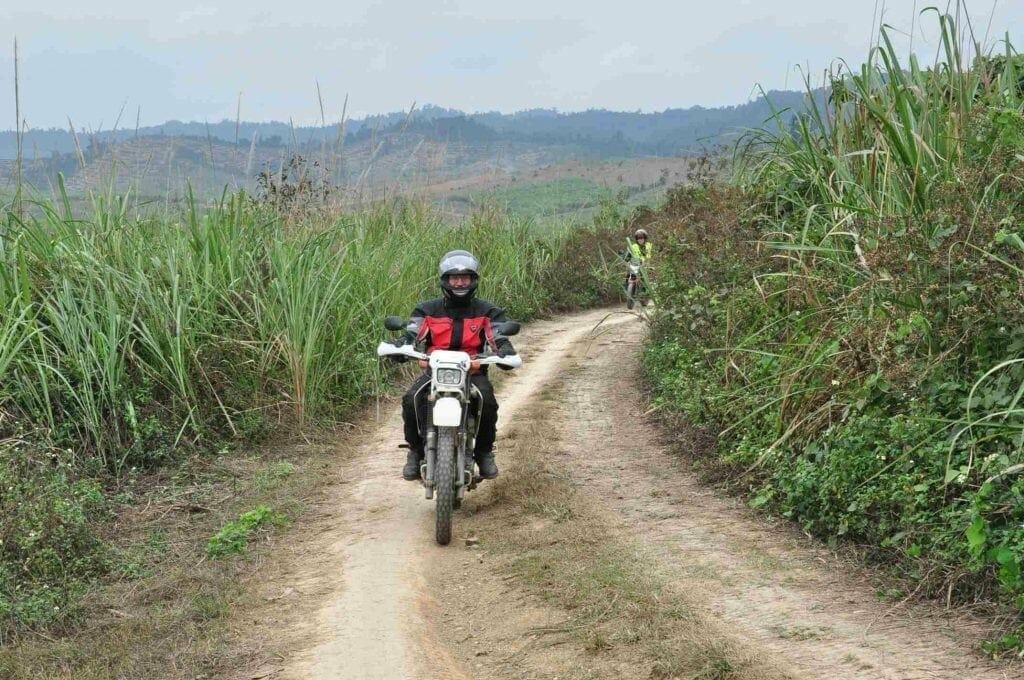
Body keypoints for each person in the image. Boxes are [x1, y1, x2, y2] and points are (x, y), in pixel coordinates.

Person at [391, 250, 517, 481]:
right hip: (435, 370)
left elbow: (498, 336)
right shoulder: (426, 310)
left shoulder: (488, 311)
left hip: (472, 371)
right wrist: (402, 346)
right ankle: (416, 451)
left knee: (487, 402)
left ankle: (484, 452)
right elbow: (412, 332)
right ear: (445, 280)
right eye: (454, 278)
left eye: (465, 277)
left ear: (473, 280)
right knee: (411, 400)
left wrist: (505, 352)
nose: (459, 282)